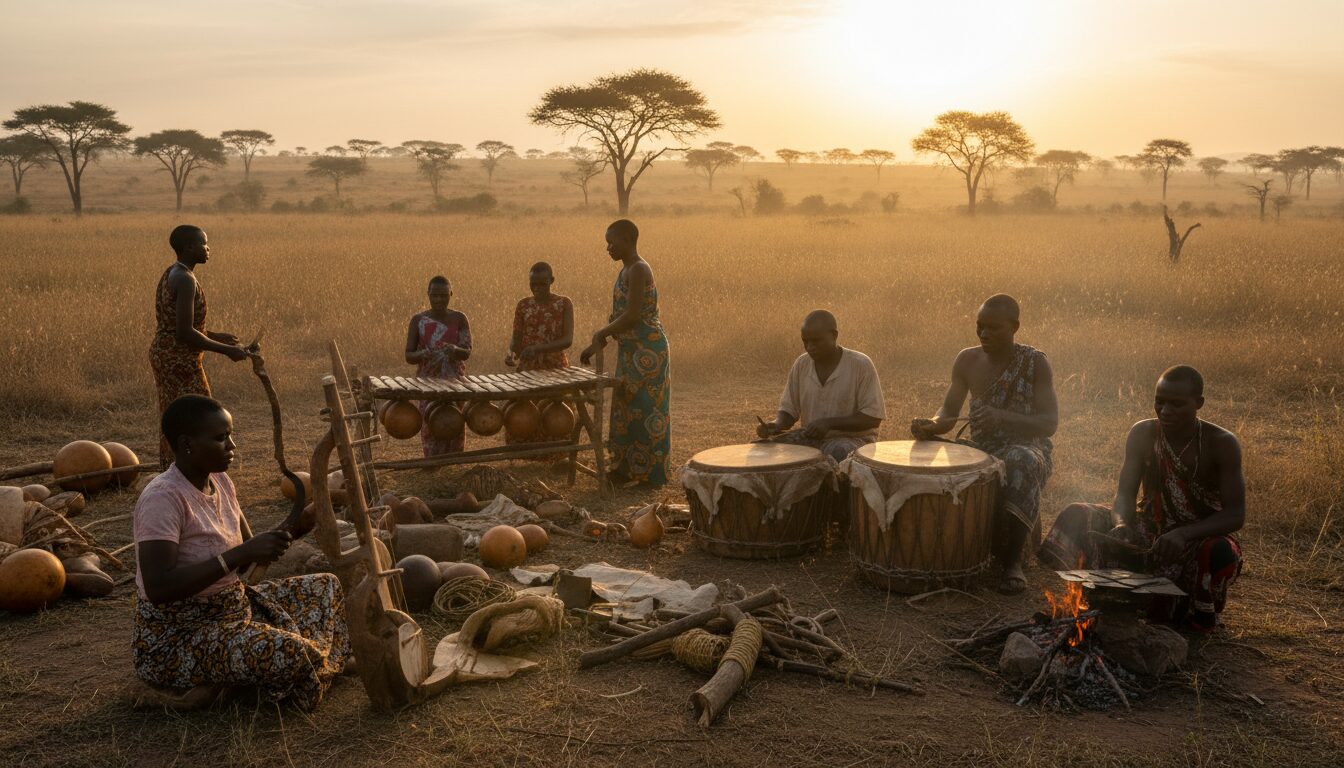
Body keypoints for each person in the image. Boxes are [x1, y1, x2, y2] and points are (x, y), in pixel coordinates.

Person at [132, 395, 349, 710]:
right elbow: (158, 587)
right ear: (187, 444)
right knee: (291, 652)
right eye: (221, 438)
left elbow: (245, 560)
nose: (232, 445)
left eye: (230, 435)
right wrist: (237, 555)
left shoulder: (220, 481)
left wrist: (299, 526)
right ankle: (314, 664)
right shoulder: (162, 499)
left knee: (325, 585)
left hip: (234, 608)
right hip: (178, 636)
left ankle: (295, 667)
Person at [1040, 366, 1245, 632]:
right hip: (1149, 529)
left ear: (1199, 404)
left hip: (1196, 538)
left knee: (1219, 552)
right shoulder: (1143, 433)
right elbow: (1125, 494)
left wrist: (1184, 534)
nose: (1165, 410)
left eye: (1176, 404)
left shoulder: (1222, 443)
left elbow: (1235, 514)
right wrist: (1123, 524)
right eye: (1159, 401)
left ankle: (1190, 615)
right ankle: (1091, 593)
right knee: (1077, 514)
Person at [911, 294, 1058, 594]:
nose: (983, 334)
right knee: (938, 460)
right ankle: (953, 550)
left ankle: (1012, 561)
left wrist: (1002, 417)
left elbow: (1049, 423)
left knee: (1021, 461)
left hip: (1027, 445)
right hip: (982, 447)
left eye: (993, 327)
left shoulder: (1035, 362)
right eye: (979, 326)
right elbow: (948, 412)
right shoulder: (967, 359)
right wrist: (932, 424)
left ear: (1015, 326)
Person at [149, 225, 250, 469]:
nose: (208, 249)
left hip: (166, 353)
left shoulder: (173, 272)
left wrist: (216, 335)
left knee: (176, 416)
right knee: (201, 416)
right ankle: (194, 469)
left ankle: (176, 468)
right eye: (204, 243)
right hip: (179, 359)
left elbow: (180, 325)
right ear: (189, 247)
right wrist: (228, 351)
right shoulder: (185, 279)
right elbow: (184, 333)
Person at [580, 219, 671, 487]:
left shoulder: (639, 268)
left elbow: (632, 316)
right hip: (631, 350)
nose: (608, 247)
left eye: (612, 242)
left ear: (628, 241)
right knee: (625, 409)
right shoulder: (626, 270)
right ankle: (624, 469)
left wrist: (601, 333)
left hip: (648, 351)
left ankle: (650, 475)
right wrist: (598, 340)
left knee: (647, 410)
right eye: (607, 242)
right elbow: (621, 318)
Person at [756, 310, 885, 462]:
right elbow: (789, 411)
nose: (810, 347)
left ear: (834, 335)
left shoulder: (861, 365)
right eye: (806, 341)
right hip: (812, 440)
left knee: (839, 451)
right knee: (764, 449)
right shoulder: (801, 364)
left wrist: (828, 424)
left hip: (854, 441)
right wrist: (775, 425)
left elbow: (872, 418)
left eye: (816, 341)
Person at [506, 262, 574, 458]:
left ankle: (555, 455)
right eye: (533, 284)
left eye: (542, 284)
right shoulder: (523, 305)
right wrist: (511, 354)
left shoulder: (563, 304)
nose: (537, 288)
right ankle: (526, 455)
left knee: (555, 412)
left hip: (555, 367)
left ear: (552, 281)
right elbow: (516, 339)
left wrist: (537, 348)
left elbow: (567, 340)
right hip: (528, 367)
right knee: (523, 412)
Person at [405, 275, 472, 456]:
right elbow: (408, 355)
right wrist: (422, 354)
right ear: (428, 294)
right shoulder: (418, 320)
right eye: (435, 295)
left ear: (451, 294)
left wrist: (455, 350)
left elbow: (467, 352)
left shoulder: (459, 318)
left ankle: (454, 464)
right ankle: (432, 464)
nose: (439, 300)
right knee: (430, 424)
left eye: (443, 295)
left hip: (454, 380)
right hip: (428, 381)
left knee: (454, 422)